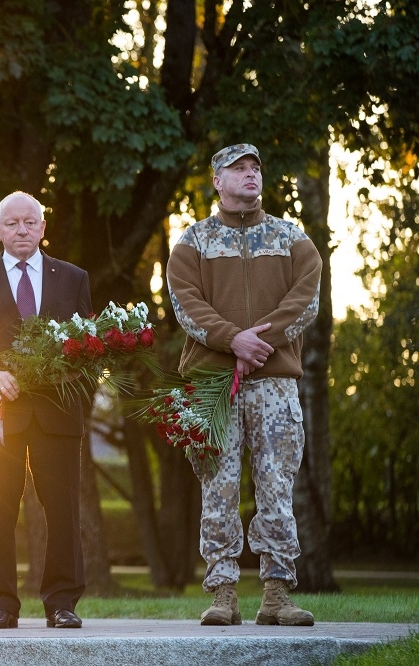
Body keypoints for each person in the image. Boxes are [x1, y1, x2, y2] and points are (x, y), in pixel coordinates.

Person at [166, 143, 322, 627]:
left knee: (276, 485)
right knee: (219, 485)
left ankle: (276, 596)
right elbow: (184, 302)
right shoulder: (193, 242)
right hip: (213, 382)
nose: (250, 174)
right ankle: (223, 593)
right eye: (239, 168)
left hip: (275, 382)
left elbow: (306, 298)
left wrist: (258, 343)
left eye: (256, 167)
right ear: (217, 180)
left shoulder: (290, 238)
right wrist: (233, 340)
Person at [0, 191, 90, 630]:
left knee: (63, 510)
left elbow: (88, 344)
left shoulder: (73, 277)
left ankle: (62, 603)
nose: (22, 230)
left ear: (43, 228)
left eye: (30, 222)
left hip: (57, 414)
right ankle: (2, 605)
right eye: (12, 223)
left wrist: (74, 369)